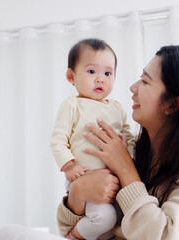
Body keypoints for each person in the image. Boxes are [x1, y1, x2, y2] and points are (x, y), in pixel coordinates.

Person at [0, 45, 179, 240]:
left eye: (145, 81)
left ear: (171, 104)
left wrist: (126, 170)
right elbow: (71, 231)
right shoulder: (135, 149)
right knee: (7, 232)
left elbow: (164, 235)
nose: (132, 87)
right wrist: (78, 193)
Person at [50, 38, 135, 240]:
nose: (100, 79)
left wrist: (128, 159)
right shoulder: (72, 105)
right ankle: (73, 237)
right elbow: (58, 140)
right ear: (71, 76)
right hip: (84, 176)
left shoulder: (117, 108)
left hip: (116, 181)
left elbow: (128, 138)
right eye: (91, 72)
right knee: (104, 219)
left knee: (119, 222)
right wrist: (69, 166)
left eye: (107, 73)